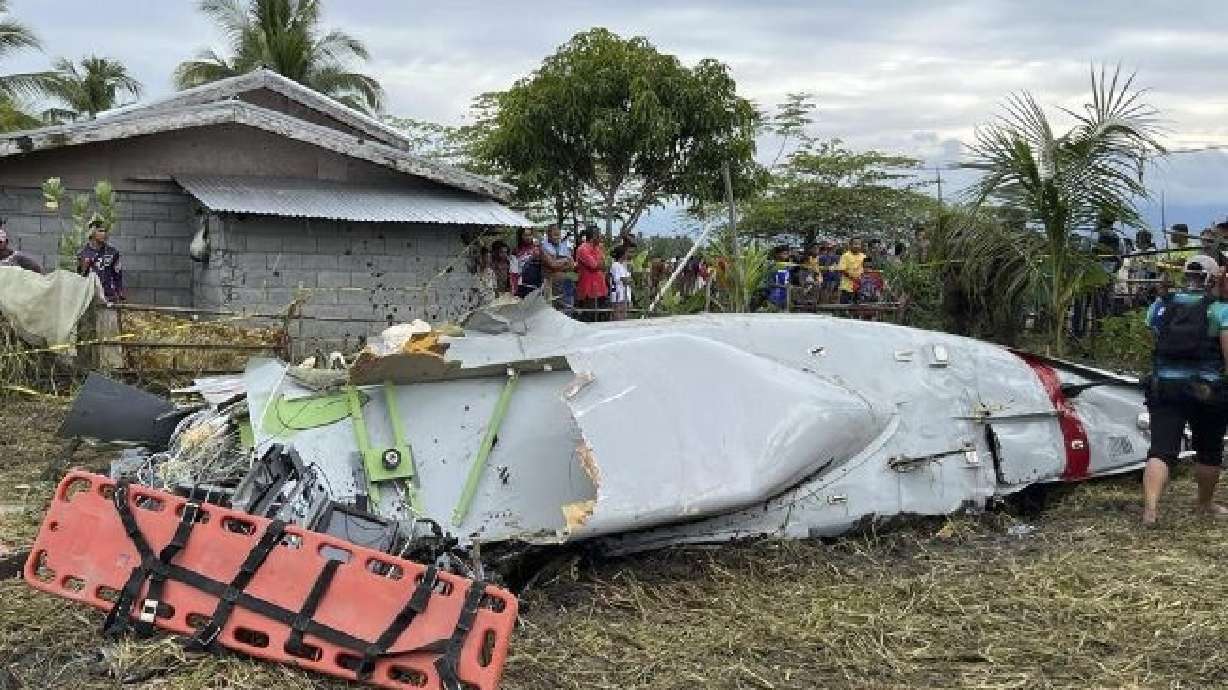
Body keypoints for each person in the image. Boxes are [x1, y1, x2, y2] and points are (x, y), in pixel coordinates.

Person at [1140, 254, 1228, 525]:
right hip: (1207, 390)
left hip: (1164, 386)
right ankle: (1204, 504)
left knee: (1161, 450)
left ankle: (1151, 509)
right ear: (1212, 278)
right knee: (1209, 451)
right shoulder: (1220, 310)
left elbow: (1154, 339)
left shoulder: (1162, 304)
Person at [77, 219, 124, 302]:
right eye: (101, 231)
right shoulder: (82, 253)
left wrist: (119, 293)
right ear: (92, 232)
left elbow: (118, 275)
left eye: (106, 231)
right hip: (89, 299)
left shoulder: (112, 252)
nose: (104, 234)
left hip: (109, 297)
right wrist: (84, 266)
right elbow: (78, 278)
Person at [575, 228, 608, 321]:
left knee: (600, 316)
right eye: (599, 235)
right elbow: (594, 265)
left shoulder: (598, 248)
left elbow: (604, 265)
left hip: (600, 288)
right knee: (589, 316)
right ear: (594, 237)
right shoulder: (583, 249)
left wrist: (600, 264)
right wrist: (600, 264)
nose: (601, 237)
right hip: (589, 289)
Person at [541, 224, 576, 310]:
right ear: (548, 235)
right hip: (551, 284)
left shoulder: (564, 246)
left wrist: (558, 264)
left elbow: (572, 265)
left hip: (566, 283)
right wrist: (564, 261)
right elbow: (553, 264)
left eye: (559, 235)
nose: (557, 237)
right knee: (553, 310)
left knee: (568, 309)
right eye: (555, 235)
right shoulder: (543, 247)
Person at [836, 238, 867, 305]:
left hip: (860, 286)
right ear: (850, 245)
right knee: (844, 306)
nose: (857, 246)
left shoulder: (864, 256)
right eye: (855, 244)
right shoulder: (845, 256)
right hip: (847, 286)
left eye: (858, 244)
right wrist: (853, 278)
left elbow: (866, 269)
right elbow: (842, 270)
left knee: (858, 306)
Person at [609, 245, 632, 320]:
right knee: (618, 316)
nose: (627, 255)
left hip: (624, 294)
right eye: (626, 253)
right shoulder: (616, 265)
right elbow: (622, 279)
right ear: (622, 254)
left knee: (624, 315)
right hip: (618, 294)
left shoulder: (623, 266)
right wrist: (628, 280)